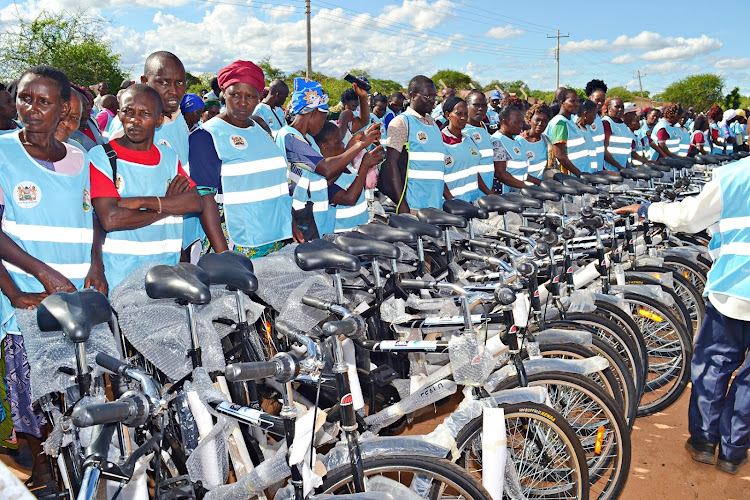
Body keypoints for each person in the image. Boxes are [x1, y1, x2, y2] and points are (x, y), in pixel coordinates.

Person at [0, 65, 106, 497]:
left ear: (66, 108)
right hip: (30, 303)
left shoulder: (80, 158)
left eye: (45, 101)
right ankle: (47, 477)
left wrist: (95, 263)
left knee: (80, 394)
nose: (32, 109)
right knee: (37, 401)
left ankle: (80, 475)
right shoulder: (4, 151)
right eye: (25, 99)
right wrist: (21, 287)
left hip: (77, 299)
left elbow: (95, 219)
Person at [615, 156, 750, 475]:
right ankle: (733, 451)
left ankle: (703, 442)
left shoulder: (734, 175)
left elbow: (689, 217)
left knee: (715, 363)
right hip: (733, 287)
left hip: (733, 288)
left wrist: (649, 209)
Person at [89, 84, 201, 289]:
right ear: (119, 114)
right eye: (128, 112)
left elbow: (194, 202)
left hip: (167, 269)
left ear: (159, 120)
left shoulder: (168, 157)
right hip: (122, 275)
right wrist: (167, 206)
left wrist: (141, 202)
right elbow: (111, 219)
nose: (134, 120)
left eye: (145, 113)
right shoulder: (101, 157)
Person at [190, 60, 293, 259]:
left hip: (273, 237)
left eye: (250, 96)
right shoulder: (206, 136)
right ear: (223, 95)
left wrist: (291, 224)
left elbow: (276, 184)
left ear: (259, 98)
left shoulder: (260, 131)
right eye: (235, 95)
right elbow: (205, 198)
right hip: (236, 244)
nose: (243, 102)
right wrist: (224, 256)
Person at [276, 78, 380, 240]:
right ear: (313, 113)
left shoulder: (307, 139)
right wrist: (359, 146)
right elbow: (326, 168)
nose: (323, 123)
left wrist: (353, 144)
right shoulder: (289, 137)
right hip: (302, 217)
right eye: (323, 118)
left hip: (316, 218)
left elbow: (329, 173)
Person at [381, 75, 445, 214]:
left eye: (434, 97)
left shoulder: (433, 124)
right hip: (414, 205)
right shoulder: (402, 122)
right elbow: (391, 165)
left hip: (435, 204)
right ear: (413, 95)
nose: (433, 101)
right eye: (428, 97)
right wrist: (402, 203)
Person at [313, 121, 384, 232]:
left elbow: (347, 151)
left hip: (360, 229)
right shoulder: (320, 175)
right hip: (342, 235)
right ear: (324, 146)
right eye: (337, 142)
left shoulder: (343, 162)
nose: (342, 144)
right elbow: (349, 199)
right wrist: (364, 166)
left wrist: (361, 137)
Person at [463, 90, 508, 194]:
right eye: (476, 105)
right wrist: (489, 193)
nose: (481, 109)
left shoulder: (482, 127)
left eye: (484, 105)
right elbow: (471, 169)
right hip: (470, 195)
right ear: (466, 106)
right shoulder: (462, 131)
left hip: (485, 195)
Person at [440, 96, 483, 201]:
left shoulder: (469, 139)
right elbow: (438, 177)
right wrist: (452, 201)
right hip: (452, 206)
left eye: (465, 114)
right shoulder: (441, 141)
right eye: (459, 114)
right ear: (447, 115)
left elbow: (474, 171)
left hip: (473, 201)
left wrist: (489, 193)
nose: (463, 118)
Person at [545, 88, 587, 176]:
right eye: (572, 101)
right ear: (562, 103)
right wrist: (579, 174)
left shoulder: (569, 121)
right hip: (569, 176)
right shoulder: (560, 123)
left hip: (577, 173)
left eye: (577, 101)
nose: (577, 104)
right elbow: (559, 154)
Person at [492, 106, 530, 192]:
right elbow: (500, 173)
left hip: (519, 193)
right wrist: (525, 187)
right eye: (516, 122)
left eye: (522, 122)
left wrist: (539, 183)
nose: (521, 126)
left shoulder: (516, 140)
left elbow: (520, 171)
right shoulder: (497, 142)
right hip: (506, 195)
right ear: (504, 122)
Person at [518, 102, 553, 183]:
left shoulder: (547, 140)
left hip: (542, 188)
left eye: (544, 121)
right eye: (537, 120)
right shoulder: (519, 142)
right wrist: (540, 183)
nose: (540, 124)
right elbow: (518, 172)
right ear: (529, 120)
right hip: (524, 188)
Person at [602, 97, 634, 172]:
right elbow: (604, 150)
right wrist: (620, 167)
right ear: (609, 108)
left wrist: (626, 167)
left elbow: (624, 150)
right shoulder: (606, 123)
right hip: (610, 168)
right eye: (617, 107)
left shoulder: (623, 125)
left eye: (622, 107)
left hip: (621, 168)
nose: (620, 110)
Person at [70, 85, 106, 150]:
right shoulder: (66, 131)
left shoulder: (92, 121)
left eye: (88, 104)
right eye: (83, 106)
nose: (88, 108)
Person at [584, 79, 607, 171]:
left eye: (603, 100)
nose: (600, 103)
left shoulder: (598, 118)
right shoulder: (582, 116)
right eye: (597, 100)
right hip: (587, 166)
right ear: (590, 98)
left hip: (598, 165)